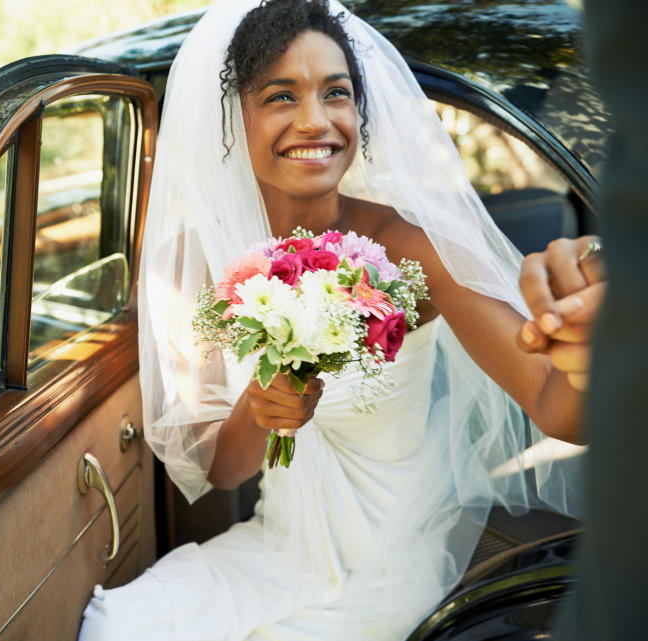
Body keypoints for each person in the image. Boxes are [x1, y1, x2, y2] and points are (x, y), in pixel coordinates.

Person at [79, 1, 591, 639]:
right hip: (277, 547)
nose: (315, 120)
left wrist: (585, 352)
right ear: (233, 117)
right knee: (116, 626)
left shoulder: (409, 248)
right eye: (280, 96)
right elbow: (222, 470)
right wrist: (262, 405)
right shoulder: (194, 262)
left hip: (391, 560)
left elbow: (555, 403)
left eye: (337, 93)